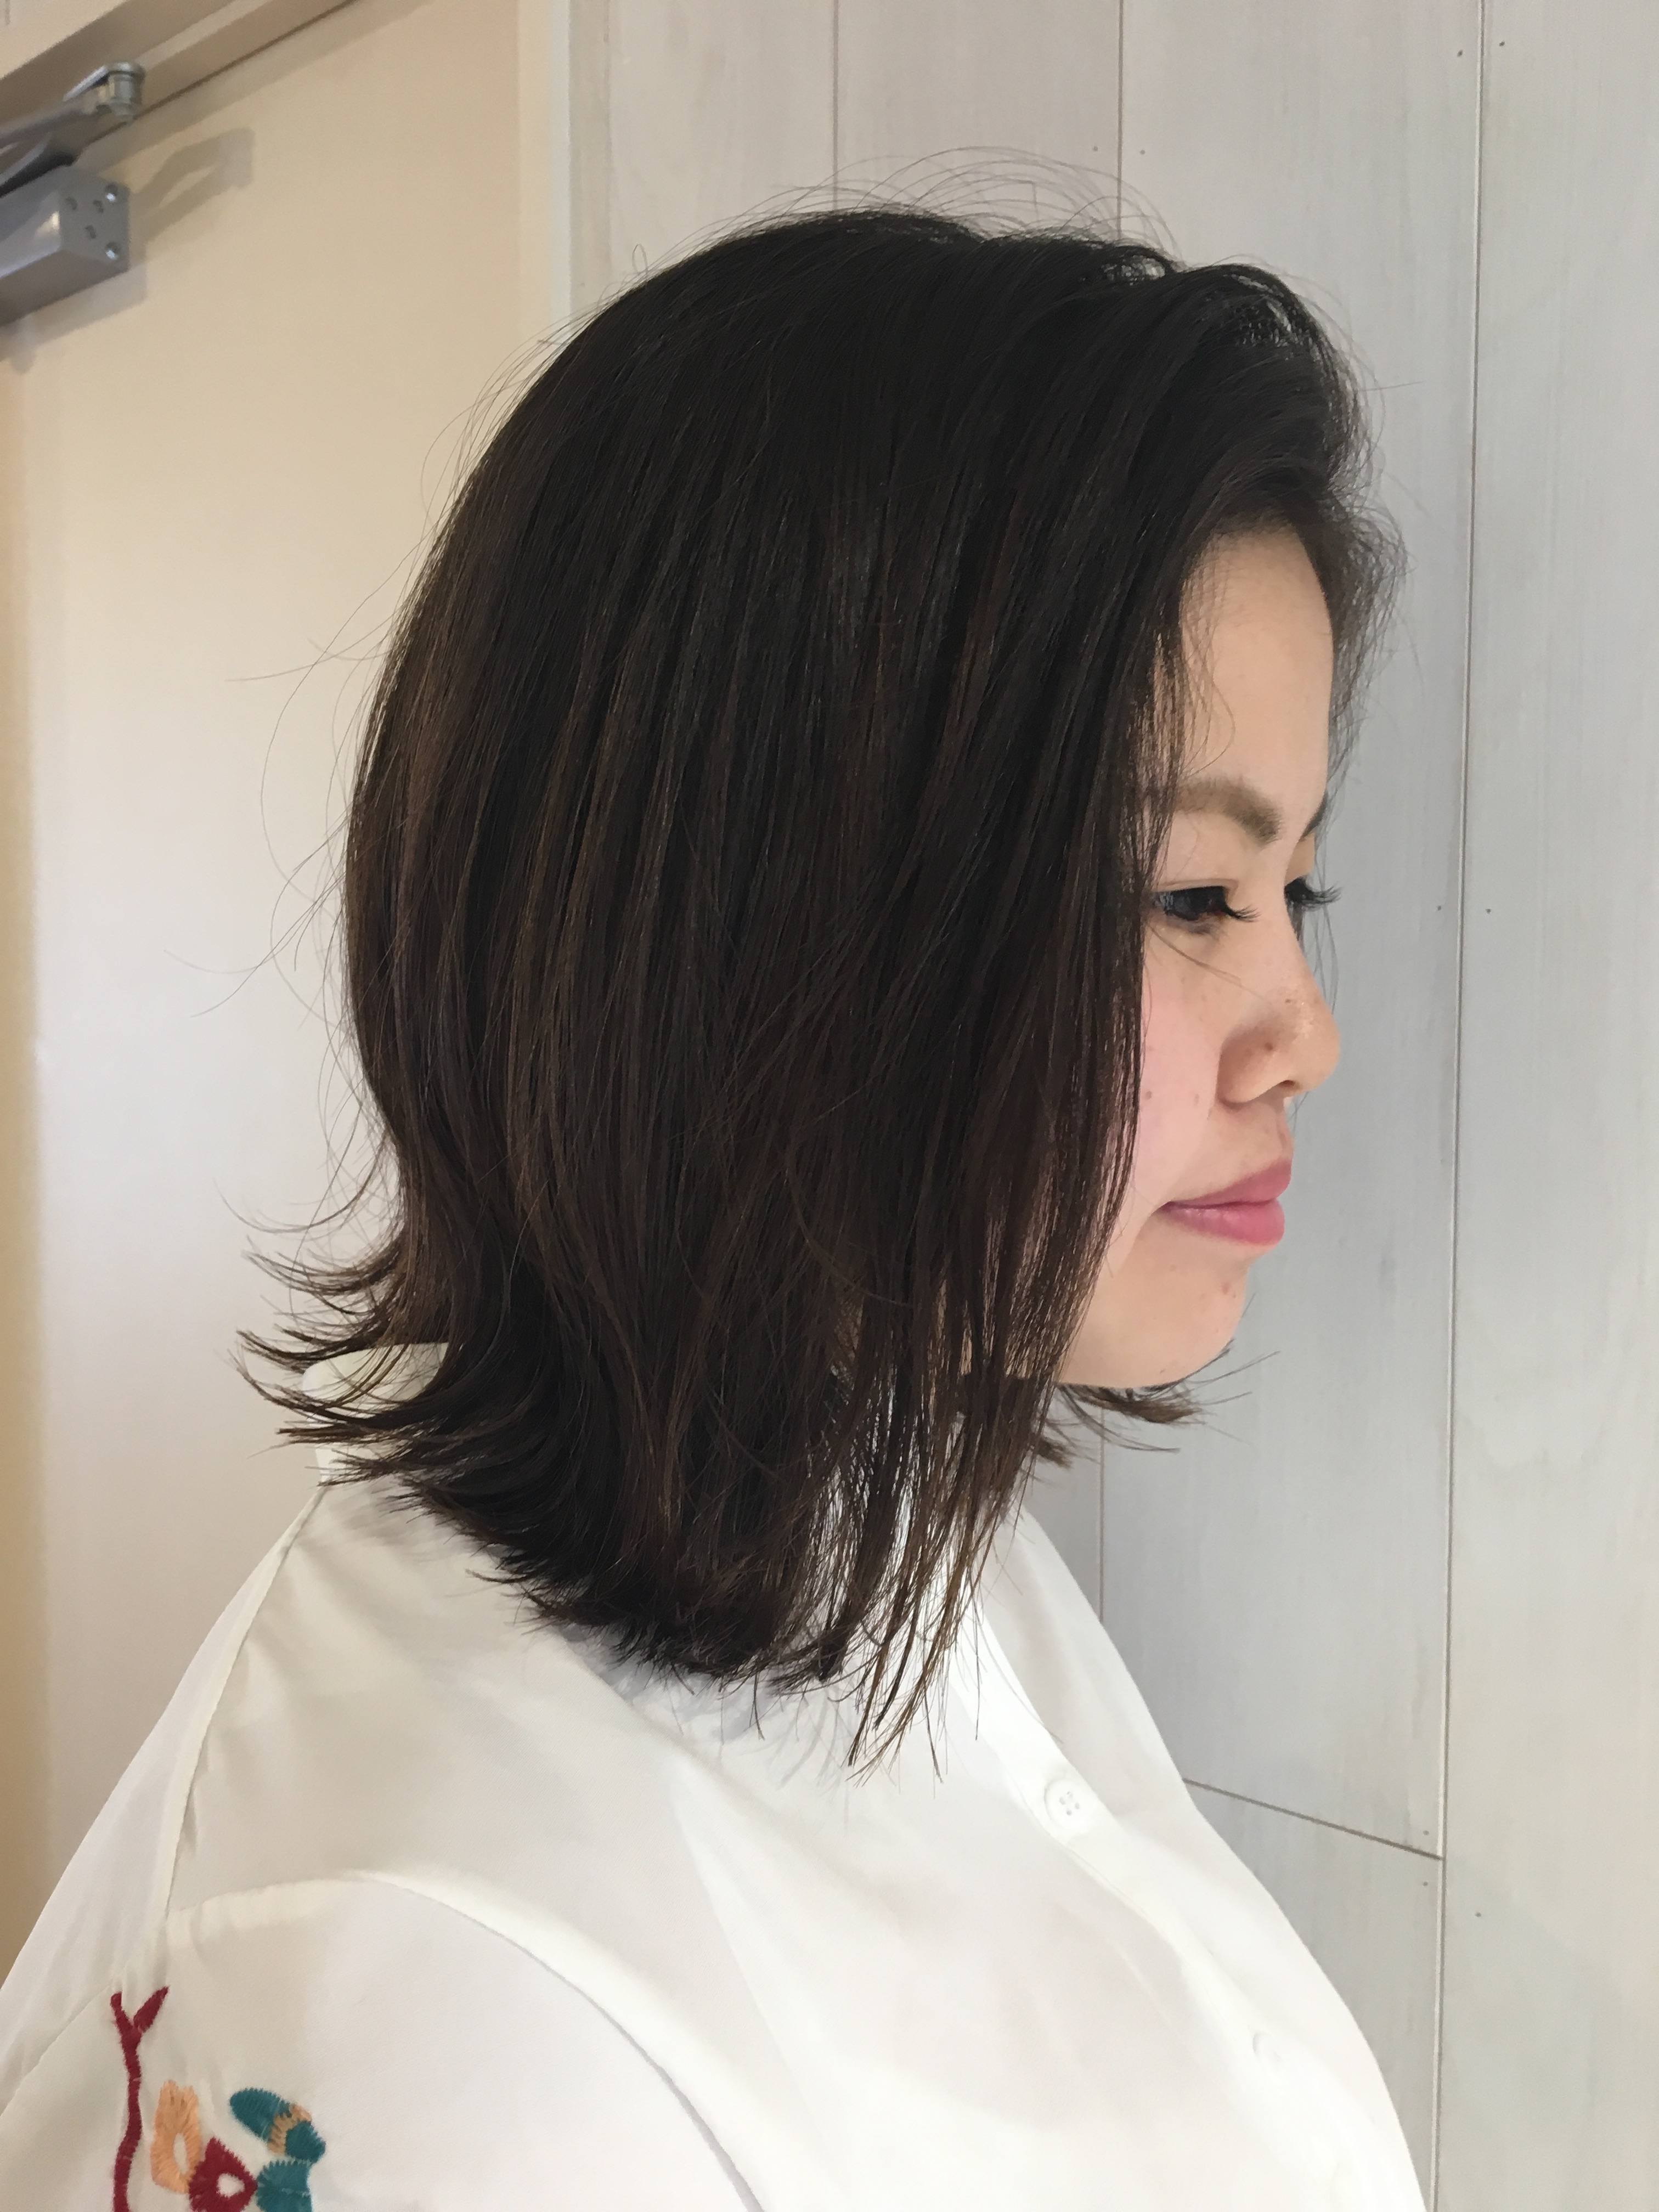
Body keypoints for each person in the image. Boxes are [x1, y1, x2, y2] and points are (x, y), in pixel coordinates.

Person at [0, 207, 1417, 2210]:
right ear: (761, 933)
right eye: (1192, 895)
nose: (1305, 1035)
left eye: (1296, 890)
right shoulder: (400, 2019)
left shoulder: (890, 1524)